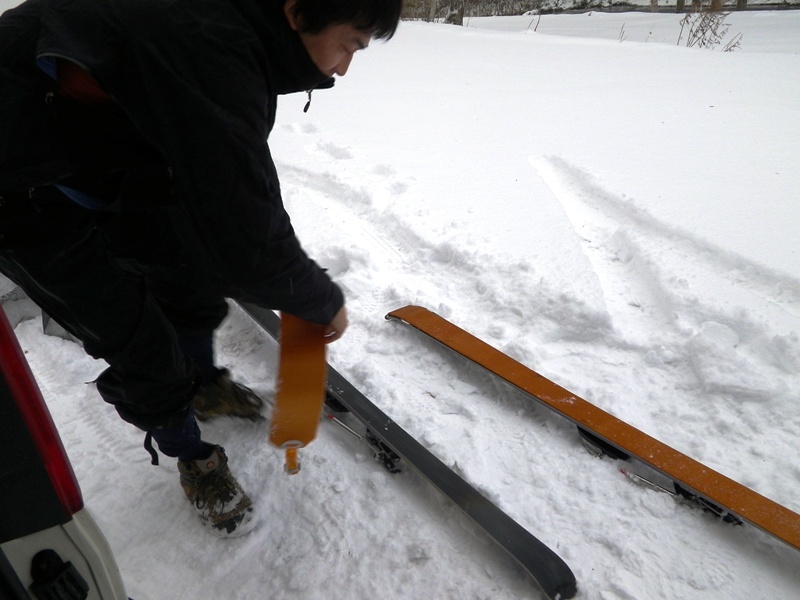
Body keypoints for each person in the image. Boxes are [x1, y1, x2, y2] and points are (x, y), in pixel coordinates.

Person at [0, 0, 402, 537]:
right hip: (18, 183)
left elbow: (236, 181)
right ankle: (192, 454)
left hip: (92, 144)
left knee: (187, 270)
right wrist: (315, 297)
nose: (346, 67)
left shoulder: (234, 32)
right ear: (298, 11)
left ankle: (203, 385)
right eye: (350, 44)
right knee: (141, 344)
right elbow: (246, 239)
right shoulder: (210, 40)